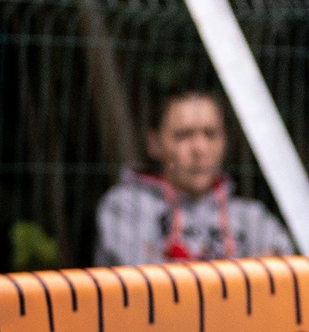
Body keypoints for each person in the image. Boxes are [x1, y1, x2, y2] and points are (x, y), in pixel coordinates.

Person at [94, 89, 295, 265]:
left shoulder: (250, 216)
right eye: (183, 135)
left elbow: (282, 270)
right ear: (154, 144)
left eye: (210, 134)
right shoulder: (126, 207)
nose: (199, 148)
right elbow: (147, 287)